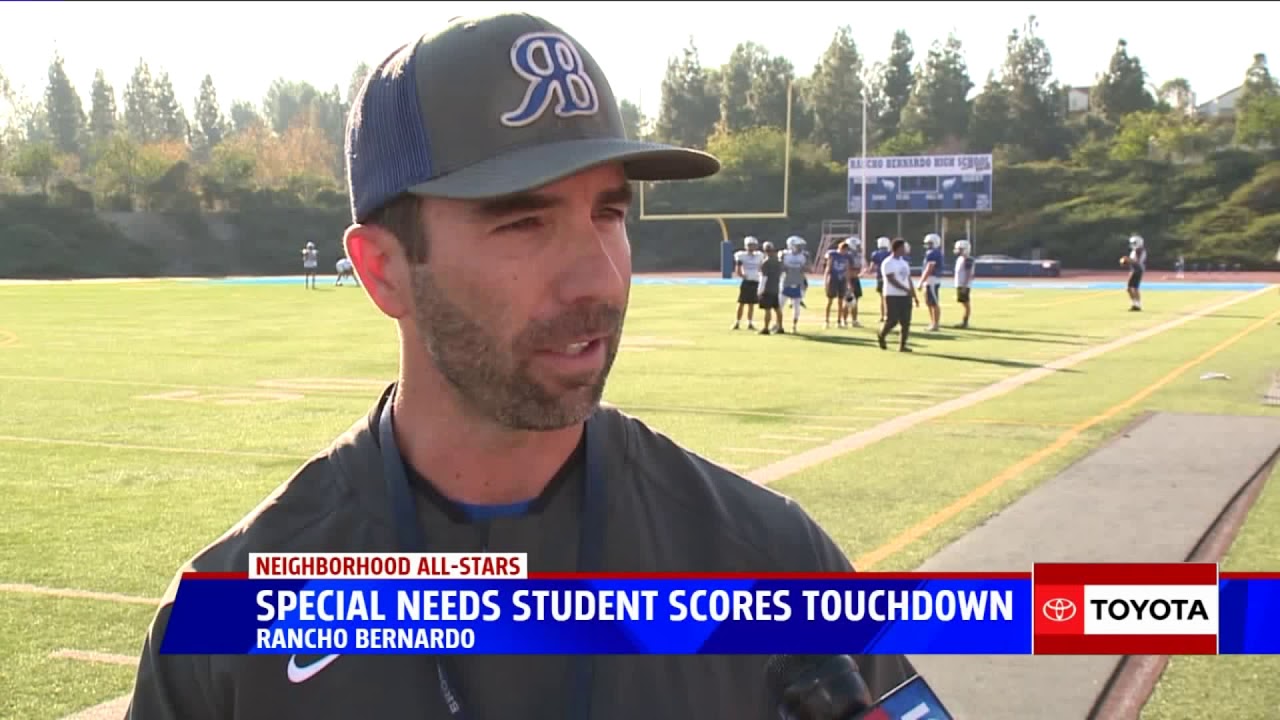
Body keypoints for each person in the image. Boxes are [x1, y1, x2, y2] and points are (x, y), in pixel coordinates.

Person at [125, 13, 914, 720]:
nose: (598, 277)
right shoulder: (228, 618)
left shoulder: (773, 562)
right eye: (525, 222)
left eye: (609, 212)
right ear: (383, 271)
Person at [878, 238, 919, 353]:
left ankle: (902, 345)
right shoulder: (888, 262)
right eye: (903, 247)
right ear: (897, 248)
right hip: (892, 295)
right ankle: (882, 335)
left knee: (906, 321)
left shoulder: (904, 262)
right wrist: (905, 289)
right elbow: (891, 279)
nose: (905, 250)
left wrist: (913, 294)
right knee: (892, 320)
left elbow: (908, 279)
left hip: (905, 296)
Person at [732, 236, 763, 331]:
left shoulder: (759, 255)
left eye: (753, 245)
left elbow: (761, 267)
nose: (751, 247)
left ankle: (750, 322)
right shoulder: (741, 255)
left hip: (755, 281)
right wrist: (741, 274)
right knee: (741, 302)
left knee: (751, 304)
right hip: (747, 281)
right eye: (750, 245)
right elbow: (738, 267)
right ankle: (737, 322)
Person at [779, 235, 808, 334]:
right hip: (786, 282)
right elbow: (781, 268)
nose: (800, 248)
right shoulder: (784, 255)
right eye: (798, 246)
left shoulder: (803, 256)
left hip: (797, 282)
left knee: (796, 307)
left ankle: (794, 326)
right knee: (780, 305)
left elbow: (807, 269)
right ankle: (779, 325)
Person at [917, 233, 944, 332]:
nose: (928, 245)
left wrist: (921, 281)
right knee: (929, 302)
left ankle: (935, 324)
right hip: (930, 280)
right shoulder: (932, 252)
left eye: (930, 243)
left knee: (934, 303)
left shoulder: (933, 253)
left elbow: (929, 268)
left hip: (932, 279)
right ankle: (932, 322)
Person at [823, 239, 852, 329]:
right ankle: (826, 320)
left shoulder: (846, 257)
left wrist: (848, 283)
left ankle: (839, 321)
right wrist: (825, 279)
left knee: (840, 301)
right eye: (845, 250)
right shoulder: (833, 255)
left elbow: (847, 270)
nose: (845, 252)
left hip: (841, 280)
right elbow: (828, 267)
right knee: (830, 300)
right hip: (833, 279)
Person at [758, 241, 783, 335]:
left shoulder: (765, 263)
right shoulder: (778, 262)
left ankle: (766, 328)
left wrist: (760, 291)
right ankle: (780, 327)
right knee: (777, 308)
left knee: (767, 309)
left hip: (767, 289)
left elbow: (764, 278)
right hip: (775, 288)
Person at [868, 236, 892, 323]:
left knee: (882, 298)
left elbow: (871, 268)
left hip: (880, 277)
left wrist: (866, 272)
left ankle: (882, 316)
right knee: (890, 298)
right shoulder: (890, 253)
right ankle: (888, 316)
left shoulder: (875, 254)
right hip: (889, 277)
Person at [952, 239, 975, 329]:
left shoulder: (968, 259)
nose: (958, 251)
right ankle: (964, 322)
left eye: (960, 249)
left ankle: (965, 322)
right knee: (964, 303)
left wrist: (965, 286)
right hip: (960, 284)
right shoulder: (960, 259)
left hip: (963, 285)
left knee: (966, 304)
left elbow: (969, 273)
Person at [843, 236, 865, 328]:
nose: (859, 247)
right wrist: (848, 283)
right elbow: (847, 270)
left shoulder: (856, 255)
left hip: (855, 279)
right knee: (848, 301)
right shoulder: (848, 256)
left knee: (855, 301)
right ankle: (844, 321)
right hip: (849, 280)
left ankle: (854, 320)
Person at [1124, 234, 1147, 312]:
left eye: (1134, 243)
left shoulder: (1138, 250)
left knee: (1130, 288)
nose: (1132, 244)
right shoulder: (1137, 250)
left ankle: (1136, 304)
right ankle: (1136, 304)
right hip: (1136, 269)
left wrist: (1127, 260)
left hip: (1137, 269)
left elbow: (1136, 261)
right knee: (1134, 288)